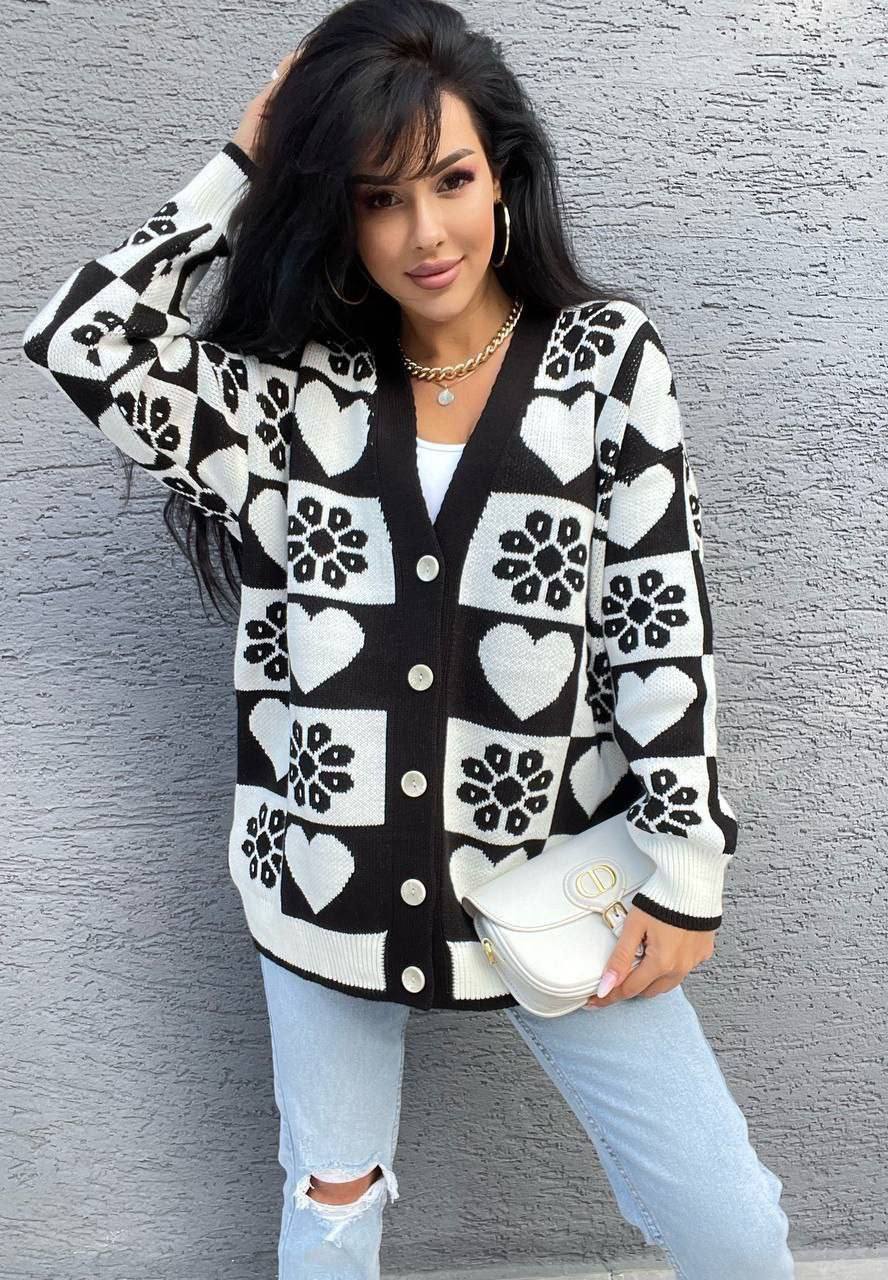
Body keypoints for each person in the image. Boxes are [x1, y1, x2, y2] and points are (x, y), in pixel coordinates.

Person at [20, 1, 795, 1276]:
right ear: (337, 211)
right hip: (323, 875)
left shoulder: (603, 362)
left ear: (502, 173)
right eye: (378, 197)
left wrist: (683, 864)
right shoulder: (296, 402)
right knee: (332, 1199)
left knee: (729, 1222)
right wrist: (244, 164)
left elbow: (661, 619)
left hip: (550, 871)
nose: (424, 233)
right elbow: (82, 340)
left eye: (449, 179)